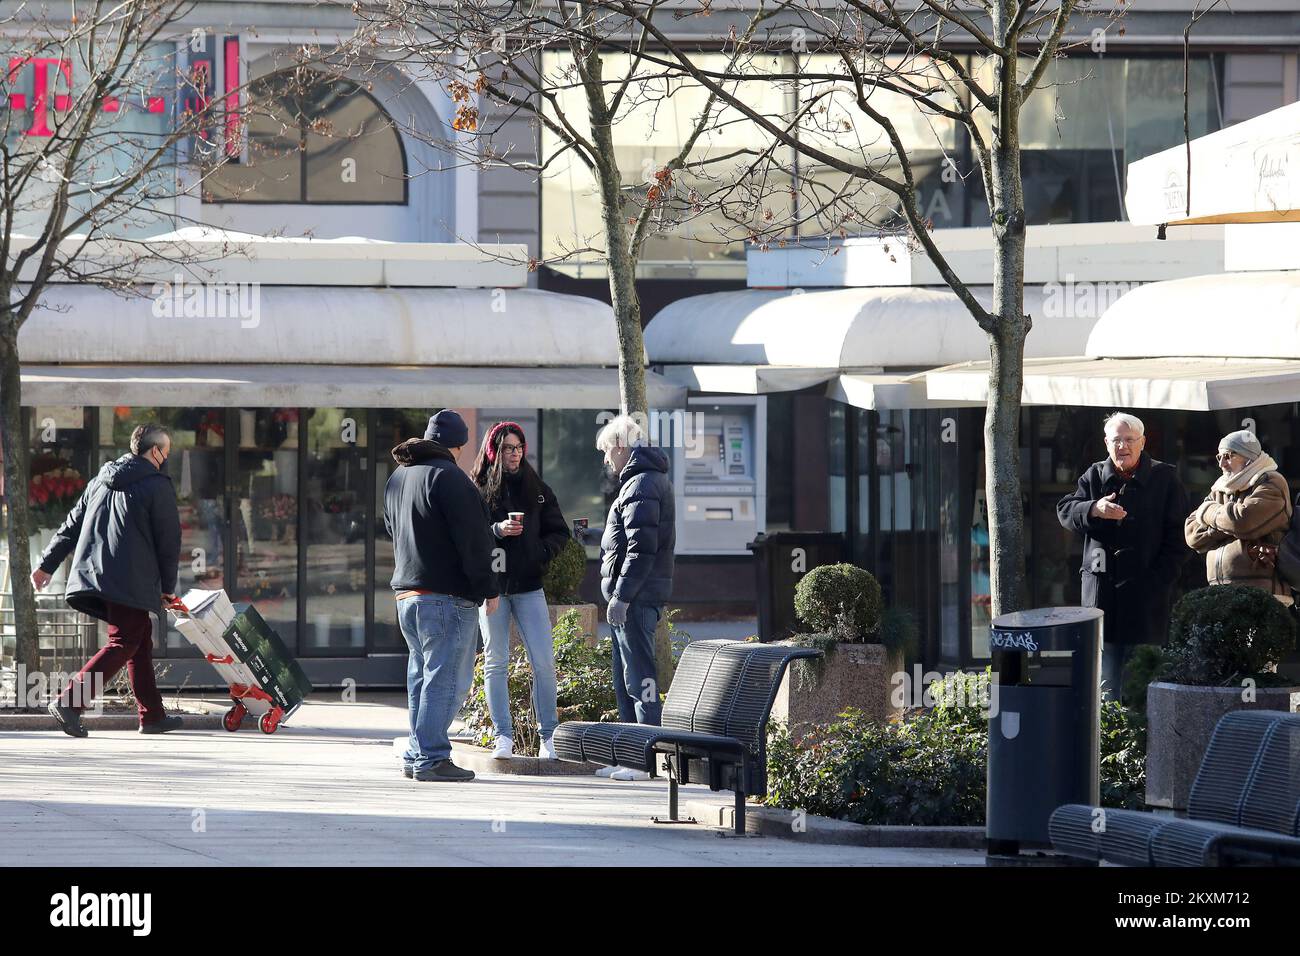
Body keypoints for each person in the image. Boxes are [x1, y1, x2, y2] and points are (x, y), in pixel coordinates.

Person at [33, 424, 184, 737]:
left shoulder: (100, 480)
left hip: (96, 575)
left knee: (139, 639)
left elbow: (70, 525)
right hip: (129, 580)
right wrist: (168, 589)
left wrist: (45, 565)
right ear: (155, 451)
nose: (166, 457)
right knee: (124, 641)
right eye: (166, 451)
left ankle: (152, 715)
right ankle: (69, 703)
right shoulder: (157, 485)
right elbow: (169, 542)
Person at [385, 410, 499, 783]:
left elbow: (393, 530)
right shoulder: (453, 480)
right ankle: (432, 758)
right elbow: (475, 541)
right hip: (445, 597)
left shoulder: (398, 478)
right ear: (459, 445)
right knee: (447, 679)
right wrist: (487, 589)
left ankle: (418, 754)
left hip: (407, 595)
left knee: (421, 676)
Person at [1056, 412, 1191, 697]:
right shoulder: (1094, 475)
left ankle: (1140, 738)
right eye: (1117, 440)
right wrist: (1094, 508)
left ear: (1142, 442)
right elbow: (1065, 509)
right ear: (1107, 443)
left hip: (1145, 597)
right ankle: (1106, 739)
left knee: (1141, 684)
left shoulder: (1164, 477)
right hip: (1101, 596)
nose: (1123, 446)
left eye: (1129, 440)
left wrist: (1159, 579)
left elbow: (1179, 539)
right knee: (1103, 686)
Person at [470, 422, 571, 760]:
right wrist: (496, 530)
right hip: (492, 589)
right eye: (507, 448)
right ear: (493, 452)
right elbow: (466, 536)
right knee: (495, 662)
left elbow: (560, 532)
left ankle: (548, 737)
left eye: (518, 447)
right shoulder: (479, 489)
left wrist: (539, 554)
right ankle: (503, 737)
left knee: (543, 662)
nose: (514, 454)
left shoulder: (537, 488)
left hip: (529, 587)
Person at [596, 414, 675, 781]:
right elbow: (630, 540)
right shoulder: (638, 481)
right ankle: (629, 755)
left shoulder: (642, 482)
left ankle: (643, 760)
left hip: (636, 600)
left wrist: (622, 597)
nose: (606, 459)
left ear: (620, 445)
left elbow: (643, 550)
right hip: (630, 599)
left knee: (639, 676)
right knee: (625, 675)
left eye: (607, 451)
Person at [1184, 429, 1293, 603]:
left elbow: (1243, 522)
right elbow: (1192, 535)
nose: (1222, 464)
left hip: (1262, 594)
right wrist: (1225, 525)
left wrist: (1208, 512)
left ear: (1248, 456)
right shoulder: (1221, 487)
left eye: (1228, 456)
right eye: (1219, 457)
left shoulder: (1270, 481)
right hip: (1220, 592)